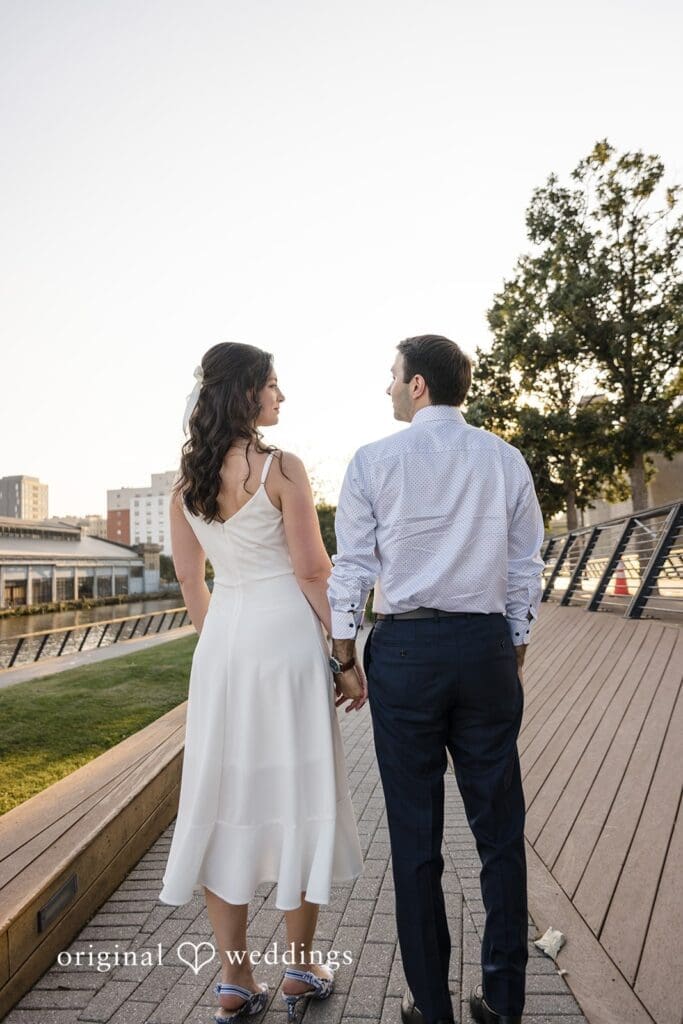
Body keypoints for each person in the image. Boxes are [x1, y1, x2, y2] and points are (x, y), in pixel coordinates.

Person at [328, 335, 545, 1024]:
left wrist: (344, 657)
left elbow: (353, 568)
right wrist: (510, 647)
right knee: (499, 830)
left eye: (393, 376)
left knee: (415, 836)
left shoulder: (371, 462)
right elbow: (523, 567)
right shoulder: (503, 458)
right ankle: (505, 1002)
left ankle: (430, 1004)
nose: (387, 387)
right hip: (483, 647)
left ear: (418, 384)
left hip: (406, 651)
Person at [158, 342, 365, 1024]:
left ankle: (233, 979)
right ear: (245, 393)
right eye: (273, 386)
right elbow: (312, 571)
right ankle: (301, 969)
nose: (281, 397)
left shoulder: (184, 485)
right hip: (283, 637)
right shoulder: (282, 468)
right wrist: (343, 655)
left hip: (224, 644)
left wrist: (221, 648)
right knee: (298, 790)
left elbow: (192, 581)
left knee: (227, 794)